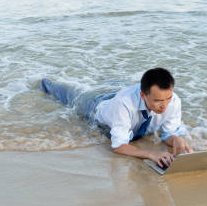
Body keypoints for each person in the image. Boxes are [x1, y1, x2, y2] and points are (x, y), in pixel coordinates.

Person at [40, 67, 193, 168]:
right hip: (96, 105)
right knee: (68, 96)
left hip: (121, 93)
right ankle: (43, 83)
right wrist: (151, 153)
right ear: (143, 95)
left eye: (168, 98)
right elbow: (119, 146)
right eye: (158, 101)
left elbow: (168, 134)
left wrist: (176, 139)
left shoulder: (174, 101)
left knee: (118, 87)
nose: (164, 105)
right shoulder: (124, 103)